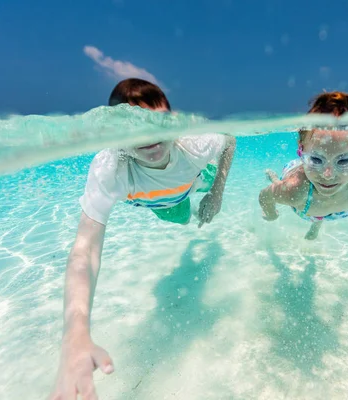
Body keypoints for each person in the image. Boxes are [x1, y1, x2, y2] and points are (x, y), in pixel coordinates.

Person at [49, 78, 236, 400]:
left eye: (156, 122)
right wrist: (75, 334)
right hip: (161, 202)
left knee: (200, 187)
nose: (148, 135)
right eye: (131, 126)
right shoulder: (111, 167)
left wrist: (217, 193)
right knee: (180, 217)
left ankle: (202, 190)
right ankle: (187, 207)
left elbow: (229, 140)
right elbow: (84, 251)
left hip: (195, 177)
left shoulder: (195, 144)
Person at [259, 91, 348, 240]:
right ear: (301, 149)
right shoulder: (294, 191)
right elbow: (265, 196)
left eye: (344, 161)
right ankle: (274, 178)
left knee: (321, 213)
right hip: (307, 208)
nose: (327, 175)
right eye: (316, 159)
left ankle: (317, 222)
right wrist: (271, 214)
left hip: (328, 208)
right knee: (280, 186)